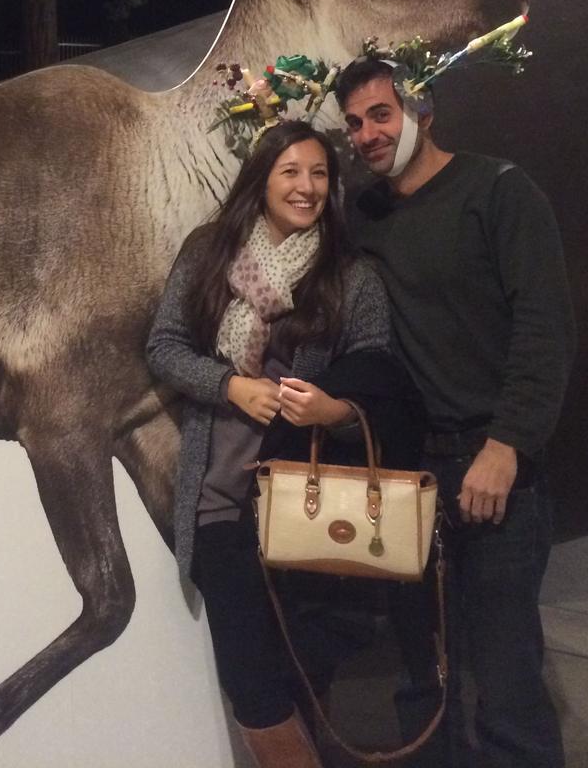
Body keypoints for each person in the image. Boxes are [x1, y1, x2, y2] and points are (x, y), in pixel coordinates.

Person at [146, 119, 426, 768]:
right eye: (291, 172)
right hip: (222, 501)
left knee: (305, 675)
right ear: (262, 178)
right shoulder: (209, 252)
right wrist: (229, 387)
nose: (306, 187)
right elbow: (164, 347)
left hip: (307, 504)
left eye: (320, 174)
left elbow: (380, 384)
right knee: (252, 682)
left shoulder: (350, 277)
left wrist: (333, 410)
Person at [334, 57, 574, 768]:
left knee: (505, 680)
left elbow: (545, 327)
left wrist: (507, 446)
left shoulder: (498, 191)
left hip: (492, 466)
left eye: (381, 114)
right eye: (353, 123)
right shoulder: (362, 216)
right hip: (409, 472)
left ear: (422, 110)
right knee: (422, 672)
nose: (367, 134)